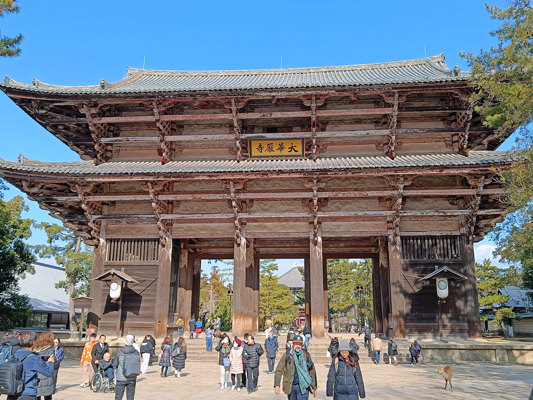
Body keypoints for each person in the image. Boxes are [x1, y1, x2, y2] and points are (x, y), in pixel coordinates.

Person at [6, 331, 55, 400]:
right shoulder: (34, 358)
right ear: (34, 343)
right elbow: (49, 372)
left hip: (13, 392)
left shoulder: (15, 354)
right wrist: (50, 362)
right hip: (27, 393)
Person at [274, 334, 317, 400]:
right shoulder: (287, 355)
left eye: (299, 344)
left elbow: (312, 371)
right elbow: (279, 370)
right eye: (296, 344)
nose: (298, 346)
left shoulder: (306, 355)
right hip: (291, 386)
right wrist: (277, 385)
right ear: (293, 344)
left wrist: (314, 387)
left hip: (304, 386)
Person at [112, 334, 140, 400]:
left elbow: (115, 364)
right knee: (130, 397)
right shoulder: (136, 352)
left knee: (118, 397)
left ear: (125, 342)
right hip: (132, 377)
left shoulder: (119, 352)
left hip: (121, 377)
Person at [34, 332, 57, 400]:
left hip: (37, 375)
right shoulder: (50, 350)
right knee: (47, 396)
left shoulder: (35, 349)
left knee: (37, 395)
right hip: (47, 375)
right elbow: (53, 363)